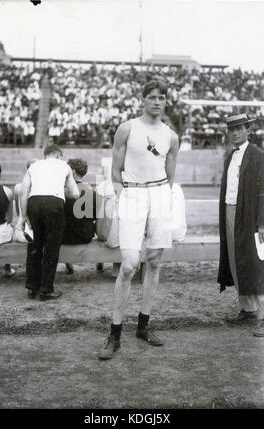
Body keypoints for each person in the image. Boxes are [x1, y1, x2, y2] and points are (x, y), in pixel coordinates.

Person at [99, 80, 179, 360]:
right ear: (143, 100)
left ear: (166, 102)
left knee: (155, 261)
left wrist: (160, 200)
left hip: (158, 194)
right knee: (130, 265)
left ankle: (143, 326)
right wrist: (123, 196)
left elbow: (170, 175)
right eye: (152, 97)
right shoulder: (127, 128)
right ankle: (115, 333)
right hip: (132, 194)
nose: (157, 102)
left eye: (162, 98)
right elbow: (115, 172)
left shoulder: (171, 136)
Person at [217, 113, 264, 337]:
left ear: (248, 130)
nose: (235, 133)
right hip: (231, 212)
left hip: (253, 217)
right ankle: (248, 309)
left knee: (259, 262)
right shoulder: (229, 156)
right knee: (236, 260)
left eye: (239, 128)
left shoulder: (260, 156)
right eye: (231, 130)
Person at [20, 144, 79, 301]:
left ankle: (32, 287)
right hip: (54, 202)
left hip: (33, 201)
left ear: (45, 155)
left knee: (34, 246)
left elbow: (24, 191)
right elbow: (75, 193)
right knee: (52, 247)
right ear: (59, 154)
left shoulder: (34, 166)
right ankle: (46, 289)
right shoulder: (64, 165)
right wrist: (63, 187)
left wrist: (23, 215)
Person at [62, 158, 97, 274]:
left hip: (63, 237)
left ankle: (68, 262)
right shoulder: (91, 191)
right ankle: (100, 262)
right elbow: (96, 217)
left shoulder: (62, 191)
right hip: (84, 236)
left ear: (72, 172)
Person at [13, 159, 38, 243]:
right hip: (39, 232)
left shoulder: (18, 187)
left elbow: (17, 211)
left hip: (21, 233)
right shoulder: (44, 189)